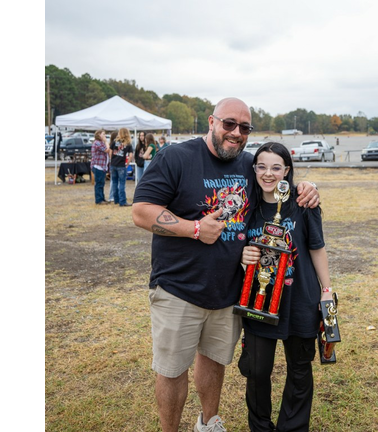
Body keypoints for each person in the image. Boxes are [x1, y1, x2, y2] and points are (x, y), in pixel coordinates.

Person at [131, 97, 321, 432]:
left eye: (244, 127)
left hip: (229, 291)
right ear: (211, 121)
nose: (236, 133)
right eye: (229, 124)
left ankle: (208, 422)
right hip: (180, 288)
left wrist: (306, 187)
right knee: (173, 369)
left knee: (214, 361)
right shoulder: (176, 157)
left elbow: (276, 179)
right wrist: (193, 229)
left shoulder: (248, 164)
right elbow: (141, 211)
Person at [237, 142, 334, 432]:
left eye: (276, 167)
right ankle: (261, 427)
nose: (268, 174)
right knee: (256, 371)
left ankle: (292, 428)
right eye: (261, 166)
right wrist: (243, 256)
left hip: (299, 299)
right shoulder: (247, 208)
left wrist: (326, 291)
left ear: (287, 170)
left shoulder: (303, 203)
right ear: (254, 169)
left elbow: (317, 248)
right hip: (259, 300)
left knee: (300, 371)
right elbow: (235, 248)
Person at [110, 128, 133, 207]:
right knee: (122, 183)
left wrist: (112, 160)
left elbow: (110, 152)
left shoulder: (114, 142)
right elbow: (130, 155)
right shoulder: (128, 143)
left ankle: (116, 200)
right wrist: (128, 163)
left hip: (113, 164)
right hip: (121, 165)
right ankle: (122, 201)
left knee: (114, 183)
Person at [90, 129, 110, 205]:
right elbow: (107, 150)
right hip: (98, 166)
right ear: (99, 135)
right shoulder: (97, 143)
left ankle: (102, 198)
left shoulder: (100, 142)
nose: (105, 136)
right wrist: (106, 141)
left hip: (102, 166)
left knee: (102, 183)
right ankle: (98, 200)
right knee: (98, 183)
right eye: (103, 134)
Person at [108, 131, 119, 203]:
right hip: (114, 163)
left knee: (114, 181)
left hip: (113, 163)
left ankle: (113, 196)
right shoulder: (113, 144)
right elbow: (110, 154)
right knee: (113, 181)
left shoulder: (112, 144)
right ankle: (111, 196)